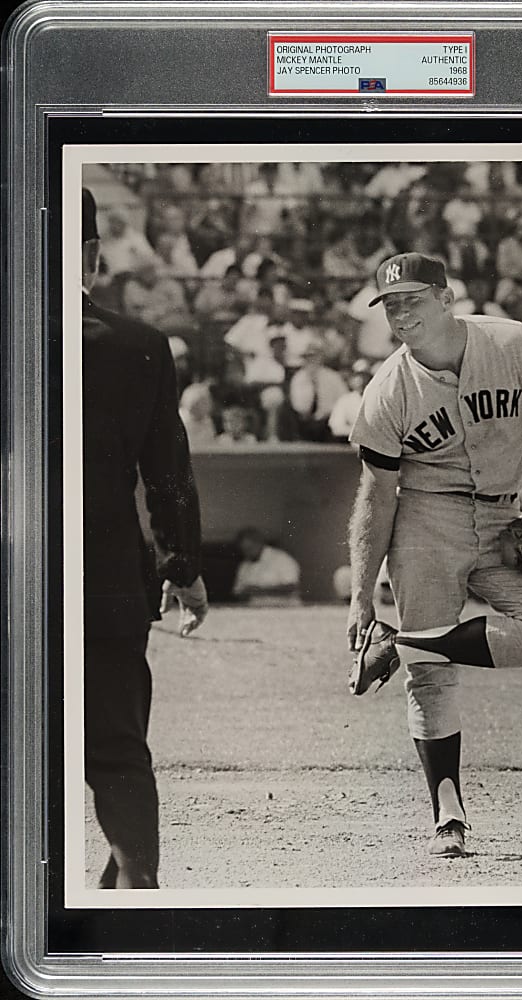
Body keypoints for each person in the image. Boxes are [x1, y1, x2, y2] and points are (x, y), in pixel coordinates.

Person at [346, 253, 522, 859]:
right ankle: (448, 815)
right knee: (431, 679)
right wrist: (360, 596)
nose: (402, 314)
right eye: (392, 304)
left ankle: (401, 642)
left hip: (504, 515)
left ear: (446, 296)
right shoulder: (388, 389)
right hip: (426, 519)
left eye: (412, 299)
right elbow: (376, 497)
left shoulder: (513, 343)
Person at [81, 187, 208, 889]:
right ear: (94, 258)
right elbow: (168, 476)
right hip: (100, 584)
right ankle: (137, 896)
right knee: (119, 753)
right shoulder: (139, 347)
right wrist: (183, 567)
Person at [231, 527, 301, 605]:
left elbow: (291, 588)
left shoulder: (281, 558)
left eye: (249, 548)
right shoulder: (244, 565)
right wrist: (244, 593)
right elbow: (237, 592)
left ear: (260, 543)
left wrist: (260, 591)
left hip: (282, 612)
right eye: (243, 550)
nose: (246, 553)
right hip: (255, 613)